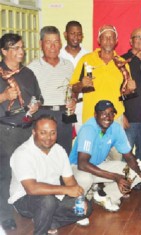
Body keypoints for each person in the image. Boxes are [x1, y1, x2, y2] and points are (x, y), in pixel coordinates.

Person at [8, 115, 92, 235]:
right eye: (43, 132)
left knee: (86, 208)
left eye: (53, 133)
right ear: (34, 132)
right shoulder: (23, 153)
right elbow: (31, 188)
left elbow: (69, 180)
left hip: (54, 196)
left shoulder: (59, 150)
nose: (49, 137)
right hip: (24, 199)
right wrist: (66, 190)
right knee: (47, 201)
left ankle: (49, 221)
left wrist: (79, 198)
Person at [69, 100, 141, 213]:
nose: (108, 117)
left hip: (99, 165)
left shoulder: (116, 128)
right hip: (77, 168)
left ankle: (104, 195)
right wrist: (115, 177)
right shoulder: (88, 129)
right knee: (86, 178)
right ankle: (77, 208)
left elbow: (129, 156)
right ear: (95, 115)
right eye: (103, 113)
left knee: (134, 174)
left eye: (111, 113)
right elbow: (82, 164)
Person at [0, 33, 41, 231]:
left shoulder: (27, 73)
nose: (21, 51)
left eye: (22, 47)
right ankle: (5, 216)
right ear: (4, 51)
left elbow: (38, 96)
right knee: (5, 175)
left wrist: (35, 106)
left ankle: (30, 209)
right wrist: (3, 96)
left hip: (28, 129)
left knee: (30, 172)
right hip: (6, 131)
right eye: (15, 48)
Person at [70, 24, 136, 124]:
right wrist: (81, 84)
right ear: (99, 40)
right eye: (105, 37)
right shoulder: (86, 60)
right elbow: (73, 88)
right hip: (91, 118)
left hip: (115, 118)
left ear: (116, 41)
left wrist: (129, 90)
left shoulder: (122, 63)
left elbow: (124, 95)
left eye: (111, 37)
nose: (108, 40)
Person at [28, 26, 75, 155]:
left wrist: (74, 100)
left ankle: (62, 176)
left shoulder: (68, 65)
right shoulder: (32, 67)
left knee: (64, 152)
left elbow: (72, 90)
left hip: (64, 115)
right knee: (42, 153)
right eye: (48, 42)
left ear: (60, 44)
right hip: (42, 114)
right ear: (41, 44)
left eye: (56, 42)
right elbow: (29, 95)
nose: (52, 46)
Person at [121, 28, 141, 161]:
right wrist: (120, 115)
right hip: (129, 120)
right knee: (126, 157)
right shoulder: (122, 61)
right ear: (130, 41)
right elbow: (113, 90)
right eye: (138, 37)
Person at [59, 21, 90, 133]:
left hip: (83, 105)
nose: (76, 37)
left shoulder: (88, 56)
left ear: (82, 36)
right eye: (72, 33)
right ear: (65, 34)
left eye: (79, 34)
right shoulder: (58, 55)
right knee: (63, 140)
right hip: (63, 105)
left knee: (84, 141)